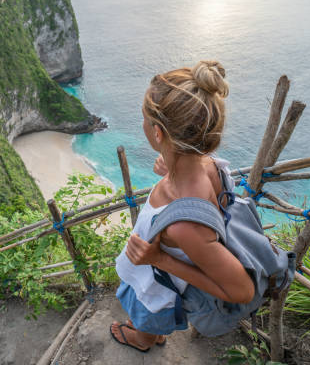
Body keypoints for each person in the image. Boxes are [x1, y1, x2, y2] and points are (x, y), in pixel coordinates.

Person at [110, 60, 256, 352]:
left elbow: (242, 292)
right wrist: (171, 167)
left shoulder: (185, 227)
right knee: (149, 313)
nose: (142, 125)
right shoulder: (209, 167)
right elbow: (201, 188)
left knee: (146, 311)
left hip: (159, 282)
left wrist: (159, 260)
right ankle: (152, 333)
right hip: (159, 272)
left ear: (159, 134)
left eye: (145, 119)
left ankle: (142, 340)